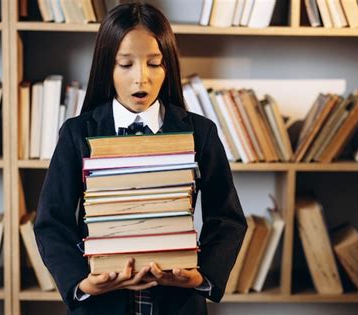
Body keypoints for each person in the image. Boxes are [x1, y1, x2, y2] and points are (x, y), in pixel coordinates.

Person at [34, 3, 247, 315]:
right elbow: (52, 222)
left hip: (176, 302)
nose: (141, 79)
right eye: (125, 64)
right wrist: (82, 284)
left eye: (154, 63)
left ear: (168, 67)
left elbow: (226, 217)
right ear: (107, 67)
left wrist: (201, 277)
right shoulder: (77, 134)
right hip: (100, 303)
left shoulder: (199, 132)